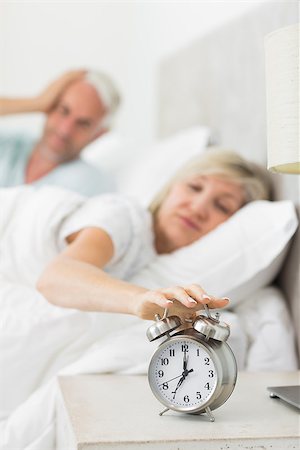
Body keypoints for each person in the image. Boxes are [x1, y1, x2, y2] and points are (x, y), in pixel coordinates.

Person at [26, 147, 272, 321]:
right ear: (171, 187)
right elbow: (56, 278)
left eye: (221, 206)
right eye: (194, 187)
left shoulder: (166, 262)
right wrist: (138, 300)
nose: (197, 208)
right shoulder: (125, 217)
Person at [0, 69, 121, 196]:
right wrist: (36, 103)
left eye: (83, 124)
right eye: (63, 110)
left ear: (98, 135)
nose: (65, 130)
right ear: (49, 107)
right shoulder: (8, 145)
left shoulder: (92, 184)